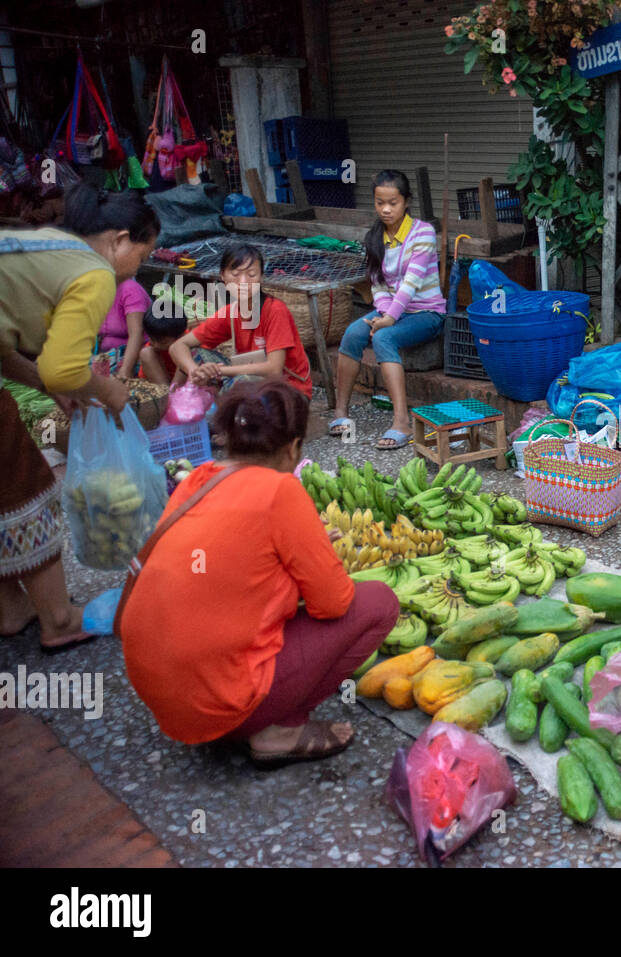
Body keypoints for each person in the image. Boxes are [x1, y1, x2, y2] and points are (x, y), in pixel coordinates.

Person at [117, 381, 399, 767]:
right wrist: (315, 556)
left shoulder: (196, 482)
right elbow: (334, 604)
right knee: (377, 602)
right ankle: (278, 731)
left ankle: (243, 710)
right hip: (219, 702)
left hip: (160, 693)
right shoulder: (281, 490)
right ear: (292, 448)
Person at [0, 184, 159, 652]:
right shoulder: (95, 273)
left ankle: (11, 608)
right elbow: (63, 367)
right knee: (24, 487)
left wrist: (52, 386)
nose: (138, 268)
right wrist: (108, 388)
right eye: (143, 255)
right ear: (121, 240)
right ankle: (61, 621)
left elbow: (7, 353)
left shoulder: (54, 246)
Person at [329, 170, 446, 449]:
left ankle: (401, 422)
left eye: (393, 202)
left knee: (383, 337)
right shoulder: (374, 237)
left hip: (426, 313)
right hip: (391, 310)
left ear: (406, 201)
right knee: (352, 334)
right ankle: (341, 412)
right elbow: (378, 285)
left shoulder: (424, 233)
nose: (385, 209)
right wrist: (384, 313)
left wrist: (389, 319)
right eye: (380, 202)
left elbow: (410, 284)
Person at [166, 244, 313, 398]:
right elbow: (178, 346)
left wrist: (218, 370)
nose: (243, 281)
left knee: (242, 382)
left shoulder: (275, 310)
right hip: (251, 379)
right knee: (193, 354)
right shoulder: (230, 312)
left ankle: (219, 416)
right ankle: (175, 404)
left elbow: (274, 369)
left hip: (289, 392)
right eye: (235, 274)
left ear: (261, 277)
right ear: (222, 276)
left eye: (251, 274)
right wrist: (195, 371)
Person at [94, 277, 150, 378]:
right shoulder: (96, 289)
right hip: (106, 356)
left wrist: (125, 370)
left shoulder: (130, 290)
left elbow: (137, 333)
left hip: (132, 358)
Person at [137, 309, 187, 387]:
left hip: (183, 386)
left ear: (180, 335)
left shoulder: (188, 341)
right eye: (152, 339)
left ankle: (171, 395)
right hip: (160, 385)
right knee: (146, 352)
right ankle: (166, 395)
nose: (156, 345)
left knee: (186, 351)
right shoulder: (150, 350)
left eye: (163, 342)